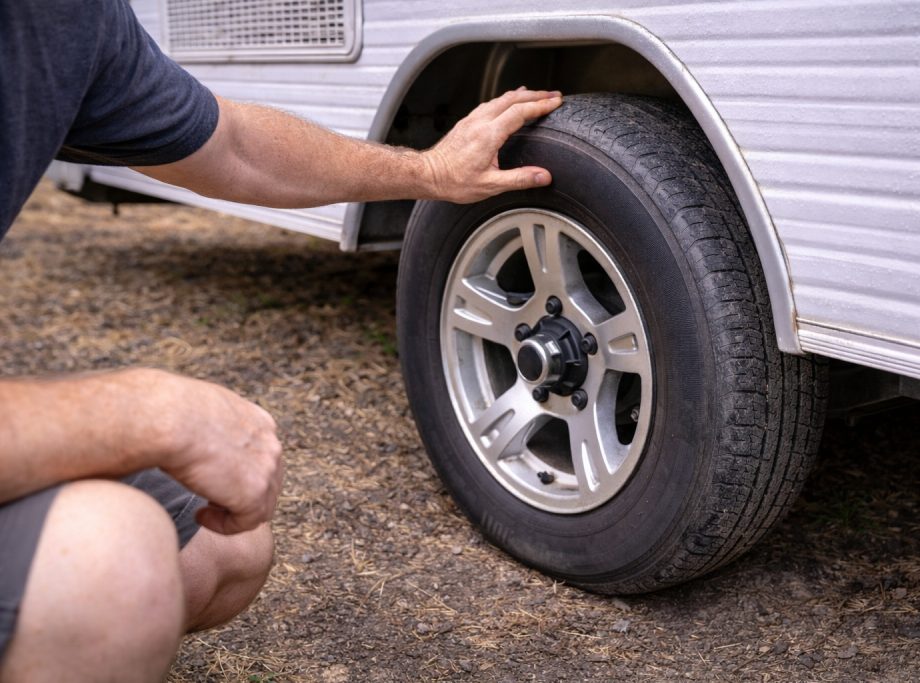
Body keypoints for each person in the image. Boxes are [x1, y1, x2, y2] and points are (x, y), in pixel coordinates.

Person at [0, 1, 563, 681]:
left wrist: (430, 173)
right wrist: (144, 411)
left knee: (218, 552)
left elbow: (230, 143)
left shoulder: (65, 20)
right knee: (106, 567)